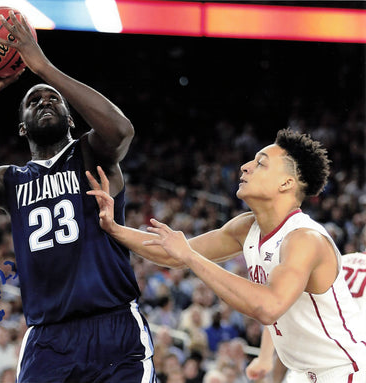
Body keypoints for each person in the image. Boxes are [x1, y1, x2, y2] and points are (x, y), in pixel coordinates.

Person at [0, 10, 155, 383]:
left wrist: (43, 68)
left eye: (54, 100)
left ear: (70, 119)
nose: (45, 101)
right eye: (33, 102)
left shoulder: (91, 154)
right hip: (48, 338)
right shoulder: (10, 182)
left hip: (113, 326)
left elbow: (121, 130)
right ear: (22, 127)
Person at [86, 129, 366, 382]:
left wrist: (192, 259)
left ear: (286, 184)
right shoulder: (246, 227)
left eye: (260, 163)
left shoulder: (304, 239)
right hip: (308, 373)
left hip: (347, 369)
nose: (245, 167)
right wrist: (114, 227)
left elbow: (268, 307)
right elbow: (172, 254)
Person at [246, 250, 366, 382]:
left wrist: (265, 357)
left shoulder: (336, 261)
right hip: (348, 362)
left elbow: (282, 306)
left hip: (307, 360)